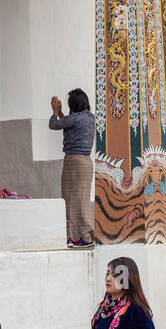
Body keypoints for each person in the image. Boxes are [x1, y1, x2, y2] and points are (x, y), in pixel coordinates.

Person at [49, 88, 95, 248]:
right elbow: (69, 123)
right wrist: (61, 112)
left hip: (74, 162)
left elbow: (54, 125)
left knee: (73, 200)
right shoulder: (89, 118)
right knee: (79, 199)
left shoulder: (75, 119)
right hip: (85, 162)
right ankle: (77, 236)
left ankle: (81, 237)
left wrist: (55, 112)